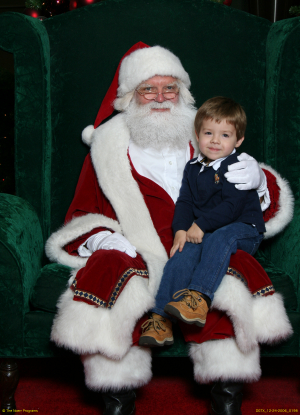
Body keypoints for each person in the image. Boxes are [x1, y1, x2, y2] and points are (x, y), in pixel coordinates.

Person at [46, 43, 293, 415]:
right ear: (131, 96)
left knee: (225, 269)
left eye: (170, 88)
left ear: (182, 93)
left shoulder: (206, 133)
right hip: (138, 246)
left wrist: (258, 180)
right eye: (149, 89)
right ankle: (117, 395)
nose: (160, 98)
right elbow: (83, 210)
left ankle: (227, 395)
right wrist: (104, 236)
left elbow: (247, 198)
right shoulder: (107, 147)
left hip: (200, 239)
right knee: (113, 269)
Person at [139, 96, 266, 347]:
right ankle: (161, 319)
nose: (215, 141)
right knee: (183, 252)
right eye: (209, 133)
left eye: (225, 135)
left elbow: (232, 207)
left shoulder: (238, 166)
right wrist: (181, 230)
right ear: (197, 135)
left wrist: (201, 225)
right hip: (207, 229)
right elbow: (185, 202)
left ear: (238, 140)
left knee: (221, 237)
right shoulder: (192, 167)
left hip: (243, 229)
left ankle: (198, 298)